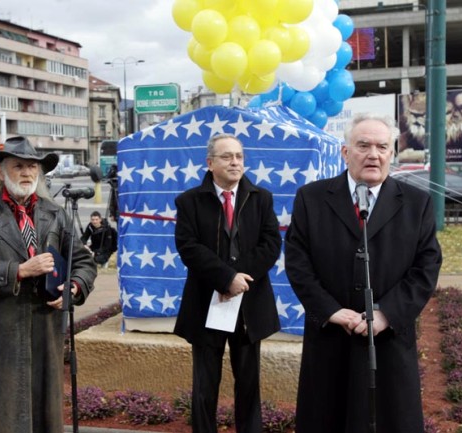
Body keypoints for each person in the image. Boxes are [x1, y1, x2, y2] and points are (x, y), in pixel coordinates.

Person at [284, 113, 442, 433]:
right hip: (331, 338)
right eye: (364, 145)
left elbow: (426, 268)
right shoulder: (311, 199)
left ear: (392, 153)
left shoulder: (417, 203)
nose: (374, 154)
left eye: (383, 147)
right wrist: (331, 311)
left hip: (388, 340)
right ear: (345, 152)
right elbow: (298, 263)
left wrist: (386, 314)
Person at [0, 136, 97, 433]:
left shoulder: (55, 213)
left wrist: (73, 287)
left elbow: (83, 262)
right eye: (18, 166)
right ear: (0, 171)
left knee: (42, 410)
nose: (27, 173)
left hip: (44, 327)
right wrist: (20, 270)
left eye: (32, 167)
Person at [174, 133, 281, 433]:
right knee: (205, 385)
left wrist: (238, 279)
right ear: (209, 163)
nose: (235, 162)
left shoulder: (262, 198)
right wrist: (225, 278)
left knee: (248, 383)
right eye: (227, 156)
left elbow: (271, 244)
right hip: (206, 305)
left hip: (249, 306)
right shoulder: (189, 202)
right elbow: (188, 247)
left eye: (239, 156)